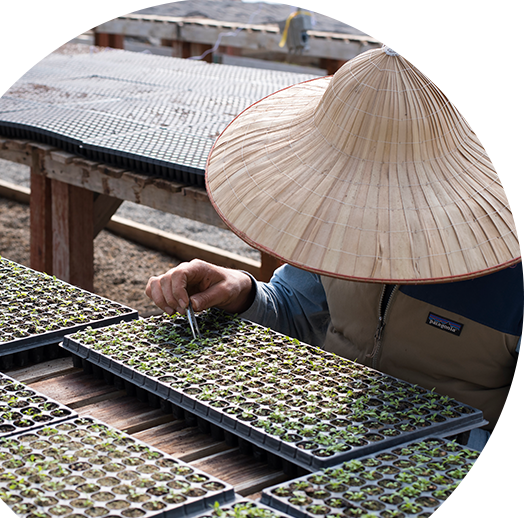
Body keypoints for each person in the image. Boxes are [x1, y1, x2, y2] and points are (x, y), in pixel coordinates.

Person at [146, 42, 524, 464]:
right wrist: (240, 291)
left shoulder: (515, 282)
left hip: (457, 484)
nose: (365, 208)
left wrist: (435, 442)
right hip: (328, 438)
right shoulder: (345, 226)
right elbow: (296, 309)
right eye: (354, 187)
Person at [435, 0, 524, 106]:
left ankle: (497, 109)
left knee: (490, 60)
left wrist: (444, 3)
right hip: (513, 4)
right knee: (501, 53)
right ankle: (515, 108)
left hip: (493, 5)